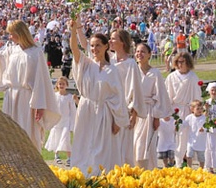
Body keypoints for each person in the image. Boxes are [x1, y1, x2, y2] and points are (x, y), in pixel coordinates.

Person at [0, 19, 59, 151]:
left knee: (27, 132)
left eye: (12, 34)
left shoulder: (36, 53)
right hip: (11, 97)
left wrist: (40, 105)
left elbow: (41, 80)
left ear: (20, 33)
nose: (10, 37)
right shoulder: (13, 50)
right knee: (11, 134)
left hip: (27, 99)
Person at [66, 17, 128, 175]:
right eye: (92, 46)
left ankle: (102, 177)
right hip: (86, 109)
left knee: (103, 147)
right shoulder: (86, 64)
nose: (94, 49)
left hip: (104, 113)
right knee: (84, 143)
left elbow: (118, 97)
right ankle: (83, 177)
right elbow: (74, 49)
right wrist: (73, 31)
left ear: (106, 46)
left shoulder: (112, 70)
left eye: (98, 45)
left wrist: (117, 121)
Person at [109, 29, 146, 166]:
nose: (110, 41)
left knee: (124, 148)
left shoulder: (131, 64)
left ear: (122, 42)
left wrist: (134, 114)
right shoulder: (109, 61)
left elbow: (136, 89)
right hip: (109, 109)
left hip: (125, 110)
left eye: (113, 39)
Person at [133, 42, 172, 169]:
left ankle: (147, 170)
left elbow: (160, 96)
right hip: (133, 112)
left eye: (143, 51)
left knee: (145, 145)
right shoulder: (132, 71)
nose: (140, 54)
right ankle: (133, 169)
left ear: (149, 54)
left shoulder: (155, 73)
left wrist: (156, 117)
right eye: (138, 51)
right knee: (133, 143)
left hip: (148, 112)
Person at [165, 53, 202, 167]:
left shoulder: (192, 77)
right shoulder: (171, 77)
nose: (180, 64)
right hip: (175, 109)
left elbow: (197, 95)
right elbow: (167, 95)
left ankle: (184, 160)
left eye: (183, 62)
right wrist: (167, 112)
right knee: (174, 137)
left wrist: (195, 110)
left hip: (187, 109)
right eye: (178, 62)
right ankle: (176, 161)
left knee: (186, 137)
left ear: (188, 63)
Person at [44, 76, 76, 166]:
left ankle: (69, 158)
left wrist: (72, 124)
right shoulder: (54, 96)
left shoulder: (69, 97)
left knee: (66, 138)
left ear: (67, 85)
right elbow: (51, 108)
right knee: (56, 138)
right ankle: (57, 156)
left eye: (63, 84)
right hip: (56, 121)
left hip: (66, 121)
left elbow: (73, 111)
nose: (61, 85)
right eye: (60, 84)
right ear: (57, 85)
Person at [183, 100, 207, 169]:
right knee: (189, 155)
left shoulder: (204, 118)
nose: (200, 110)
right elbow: (184, 124)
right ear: (192, 109)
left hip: (201, 141)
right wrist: (178, 124)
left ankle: (201, 168)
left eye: (201, 108)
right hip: (191, 140)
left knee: (201, 157)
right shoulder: (189, 117)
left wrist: (204, 129)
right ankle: (189, 167)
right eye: (198, 108)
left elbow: (208, 127)